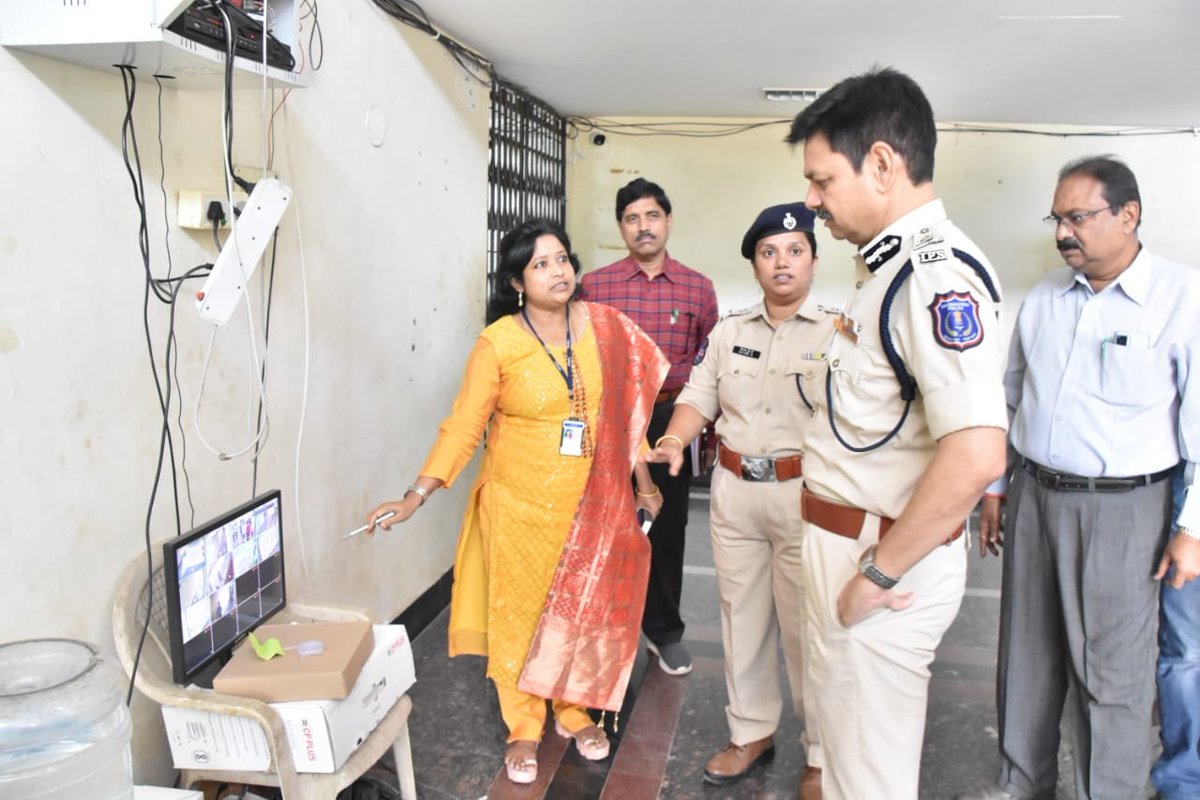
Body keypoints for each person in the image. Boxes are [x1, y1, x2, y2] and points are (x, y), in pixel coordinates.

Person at [364, 219, 670, 785]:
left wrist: (644, 487)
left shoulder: (606, 328)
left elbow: (625, 417)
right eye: (541, 264)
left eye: (562, 259)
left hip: (592, 504)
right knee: (521, 617)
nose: (558, 272)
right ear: (516, 283)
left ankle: (574, 710)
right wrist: (416, 495)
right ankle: (523, 724)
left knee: (583, 610)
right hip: (518, 509)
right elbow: (463, 427)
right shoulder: (499, 343)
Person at [785, 67, 1008, 800]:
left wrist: (876, 575)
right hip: (849, 544)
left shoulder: (934, 279)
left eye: (822, 180)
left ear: (881, 163)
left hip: (880, 561)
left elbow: (976, 452)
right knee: (848, 758)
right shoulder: (884, 270)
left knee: (869, 779)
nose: (811, 200)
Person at [958, 156, 1200, 800]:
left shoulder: (1182, 298)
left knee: (1111, 673)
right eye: (1058, 218)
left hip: (1126, 508)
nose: (1064, 232)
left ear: (1129, 215)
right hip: (1036, 496)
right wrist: (996, 489)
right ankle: (1021, 783)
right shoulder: (1045, 297)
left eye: (1079, 217)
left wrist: (1192, 528)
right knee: (1026, 655)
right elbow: (1011, 399)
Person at [644, 202, 832, 796]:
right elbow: (698, 396)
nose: (782, 262)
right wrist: (674, 438)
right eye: (769, 253)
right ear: (754, 264)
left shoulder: (841, 334)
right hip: (734, 494)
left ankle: (821, 752)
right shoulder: (729, 332)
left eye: (794, 251)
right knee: (741, 619)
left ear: (813, 260)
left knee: (810, 629)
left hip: (808, 496)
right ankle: (751, 731)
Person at [581, 178, 719, 675]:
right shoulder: (595, 287)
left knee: (668, 528)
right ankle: (601, 632)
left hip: (667, 421)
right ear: (621, 227)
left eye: (652, 216)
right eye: (632, 219)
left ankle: (664, 631)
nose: (643, 227)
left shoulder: (697, 288)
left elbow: (708, 364)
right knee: (604, 525)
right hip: (609, 420)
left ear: (668, 221)